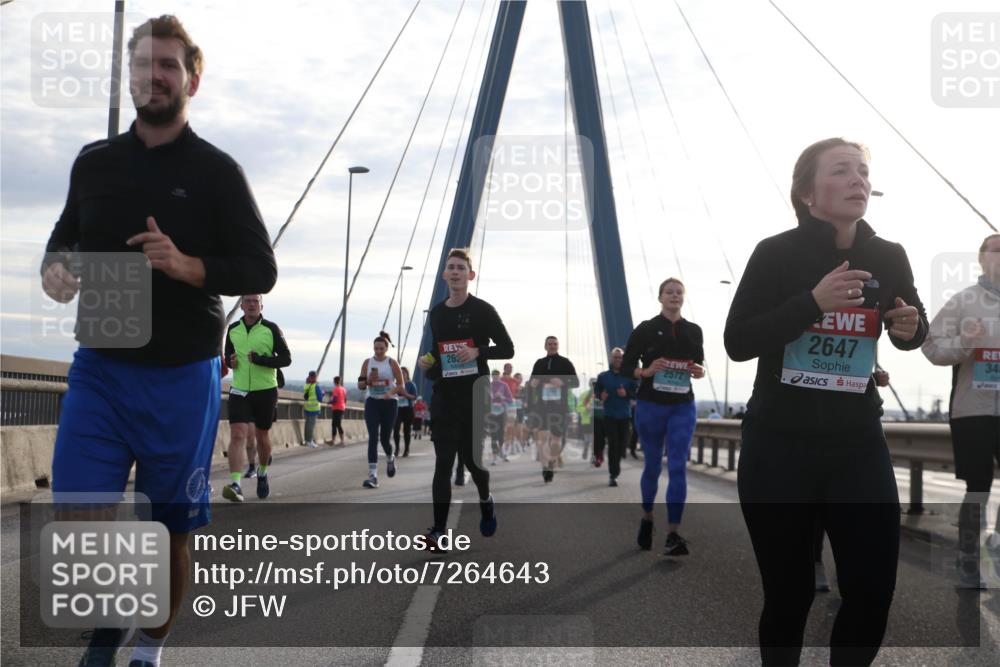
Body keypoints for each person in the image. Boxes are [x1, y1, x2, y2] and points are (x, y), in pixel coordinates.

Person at [40, 15, 276, 667]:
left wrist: (187, 264)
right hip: (100, 369)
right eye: (144, 64)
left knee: (170, 531)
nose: (155, 76)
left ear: (191, 79)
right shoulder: (93, 162)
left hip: (181, 375)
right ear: (130, 75)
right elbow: (62, 241)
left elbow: (261, 269)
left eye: (168, 65)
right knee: (77, 512)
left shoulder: (216, 172)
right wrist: (56, 271)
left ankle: (151, 642)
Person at [725, 137, 927, 666]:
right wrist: (812, 302)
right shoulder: (776, 253)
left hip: (857, 445)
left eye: (863, 171)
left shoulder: (888, 255)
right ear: (807, 193)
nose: (858, 180)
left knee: (872, 589)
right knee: (789, 597)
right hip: (778, 448)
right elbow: (738, 341)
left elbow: (912, 324)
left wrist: (908, 328)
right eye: (842, 171)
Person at [418, 248, 514, 550]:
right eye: (451, 267)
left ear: (470, 275)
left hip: (474, 397)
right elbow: (437, 351)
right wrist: (429, 362)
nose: (456, 272)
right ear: (445, 275)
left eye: (461, 267)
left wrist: (477, 351)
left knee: (473, 463)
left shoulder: (483, 310)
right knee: (443, 462)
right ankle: (439, 532)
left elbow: (508, 348)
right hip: (445, 396)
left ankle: (486, 498)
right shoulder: (437, 313)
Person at [921, 232, 1000, 589]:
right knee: (978, 486)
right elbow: (932, 347)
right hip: (973, 408)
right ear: (982, 259)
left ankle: (996, 546)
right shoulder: (964, 301)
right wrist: (965, 341)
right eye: (996, 250)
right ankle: (969, 560)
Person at [622, 278, 706, 555]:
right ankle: (647, 518)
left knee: (679, 465)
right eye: (669, 292)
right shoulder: (646, 329)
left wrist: (698, 371)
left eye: (679, 292)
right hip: (650, 405)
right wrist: (645, 372)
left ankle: (673, 533)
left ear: (684, 298)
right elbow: (627, 368)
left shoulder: (694, 331)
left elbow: (700, 366)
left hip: (682, 405)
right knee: (653, 466)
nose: (674, 296)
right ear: (660, 297)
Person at [223, 294, 292, 502]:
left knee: (262, 437)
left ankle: (262, 472)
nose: (252, 304)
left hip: (265, 390)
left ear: (261, 305)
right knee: (237, 434)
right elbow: (228, 356)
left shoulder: (271, 329)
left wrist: (261, 360)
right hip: (239, 389)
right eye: (248, 301)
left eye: (256, 301)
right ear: (242, 305)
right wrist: (231, 361)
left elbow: (287, 358)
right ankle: (236, 484)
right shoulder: (233, 329)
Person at [526, 336, 579, 482]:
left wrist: (563, 382)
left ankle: (551, 461)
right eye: (550, 344)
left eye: (555, 344)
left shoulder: (565, 363)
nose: (552, 346)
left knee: (556, 439)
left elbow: (576, 382)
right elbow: (531, 383)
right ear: (545, 346)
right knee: (542, 439)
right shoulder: (539, 363)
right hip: (542, 407)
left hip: (559, 407)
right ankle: (545, 468)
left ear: (558, 346)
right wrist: (533, 384)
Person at [358, 332, 404, 488]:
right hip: (372, 402)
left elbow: (401, 385)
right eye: (376, 348)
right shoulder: (367, 363)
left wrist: (390, 393)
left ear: (386, 349)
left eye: (381, 349)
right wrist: (369, 380)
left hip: (389, 403)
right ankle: (373, 476)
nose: (378, 351)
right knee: (373, 437)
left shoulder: (392, 363)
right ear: (373, 348)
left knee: (385, 438)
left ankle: (390, 458)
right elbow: (361, 385)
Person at [595, 347, 637, 486]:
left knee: (622, 445)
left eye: (620, 357)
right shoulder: (603, 377)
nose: (618, 360)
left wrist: (626, 394)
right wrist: (601, 396)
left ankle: (617, 462)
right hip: (610, 415)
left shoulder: (630, 377)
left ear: (623, 359)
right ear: (611, 359)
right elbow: (597, 392)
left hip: (625, 416)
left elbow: (636, 393)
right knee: (613, 445)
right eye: (615, 357)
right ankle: (613, 474)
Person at [489, 368, 515, 464]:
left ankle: (502, 452)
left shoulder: (504, 385)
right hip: (491, 413)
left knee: (500, 434)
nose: (495, 377)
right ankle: (494, 458)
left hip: (502, 412)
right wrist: (489, 399)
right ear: (491, 376)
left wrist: (502, 397)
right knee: (493, 435)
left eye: (497, 375)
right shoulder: (488, 386)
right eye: (493, 375)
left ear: (499, 376)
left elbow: (510, 400)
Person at [393, 367, 418, 457]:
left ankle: (406, 449)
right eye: (400, 373)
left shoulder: (411, 384)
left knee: (406, 431)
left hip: (408, 409)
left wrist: (405, 394)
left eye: (404, 373)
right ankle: (397, 449)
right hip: (397, 409)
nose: (402, 374)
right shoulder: (395, 384)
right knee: (396, 429)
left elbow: (414, 397)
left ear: (407, 374)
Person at [302, 370, 323, 447]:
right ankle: (309, 441)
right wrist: (322, 394)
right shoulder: (316, 386)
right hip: (314, 409)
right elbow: (320, 399)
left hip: (307, 407)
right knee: (311, 426)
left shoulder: (306, 385)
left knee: (307, 425)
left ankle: (306, 440)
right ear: (314, 377)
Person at [328, 376, 347, 446]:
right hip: (342, 408)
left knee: (336, 425)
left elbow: (335, 400)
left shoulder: (336, 389)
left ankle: (337, 441)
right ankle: (338, 441)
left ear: (334, 381)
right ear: (340, 381)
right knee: (337, 424)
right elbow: (345, 399)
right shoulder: (343, 389)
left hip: (336, 408)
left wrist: (329, 402)